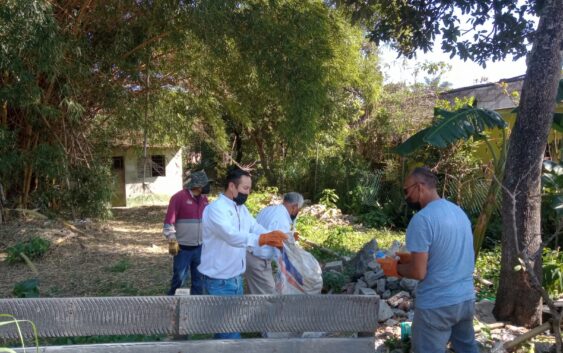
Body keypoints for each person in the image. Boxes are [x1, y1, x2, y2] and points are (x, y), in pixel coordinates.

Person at [381, 167, 478, 353]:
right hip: (465, 299)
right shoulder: (458, 213)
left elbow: (419, 272)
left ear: (419, 187)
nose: (405, 197)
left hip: (437, 305)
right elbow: (445, 253)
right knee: (467, 349)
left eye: (406, 191)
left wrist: (395, 268)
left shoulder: (422, 220)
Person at [198, 166, 288, 339]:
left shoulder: (241, 209)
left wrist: (280, 236)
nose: (247, 193)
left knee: (230, 328)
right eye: (245, 189)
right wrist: (262, 240)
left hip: (236, 278)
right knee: (229, 334)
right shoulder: (216, 210)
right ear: (232, 186)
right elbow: (231, 236)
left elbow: (254, 226)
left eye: (249, 189)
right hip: (219, 281)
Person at [163, 170, 211, 296]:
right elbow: (169, 222)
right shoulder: (178, 198)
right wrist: (172, 239)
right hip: (183, 249)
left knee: (199, 280)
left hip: (200, 248)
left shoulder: (205, 199)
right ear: (199, 186)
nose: (208, 186)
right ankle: (172, 302)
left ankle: (196, 305)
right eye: (206, 184)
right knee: (179, 279)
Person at [246, 192, 304, 295]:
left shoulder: (269, 209)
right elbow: (280, 252)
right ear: (295, 207)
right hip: (258, 261)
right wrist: (292, 273)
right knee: (268, 299)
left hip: (249, 256)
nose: (297, 212)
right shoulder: (282, 221)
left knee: (253, 296)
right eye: (298, 209)